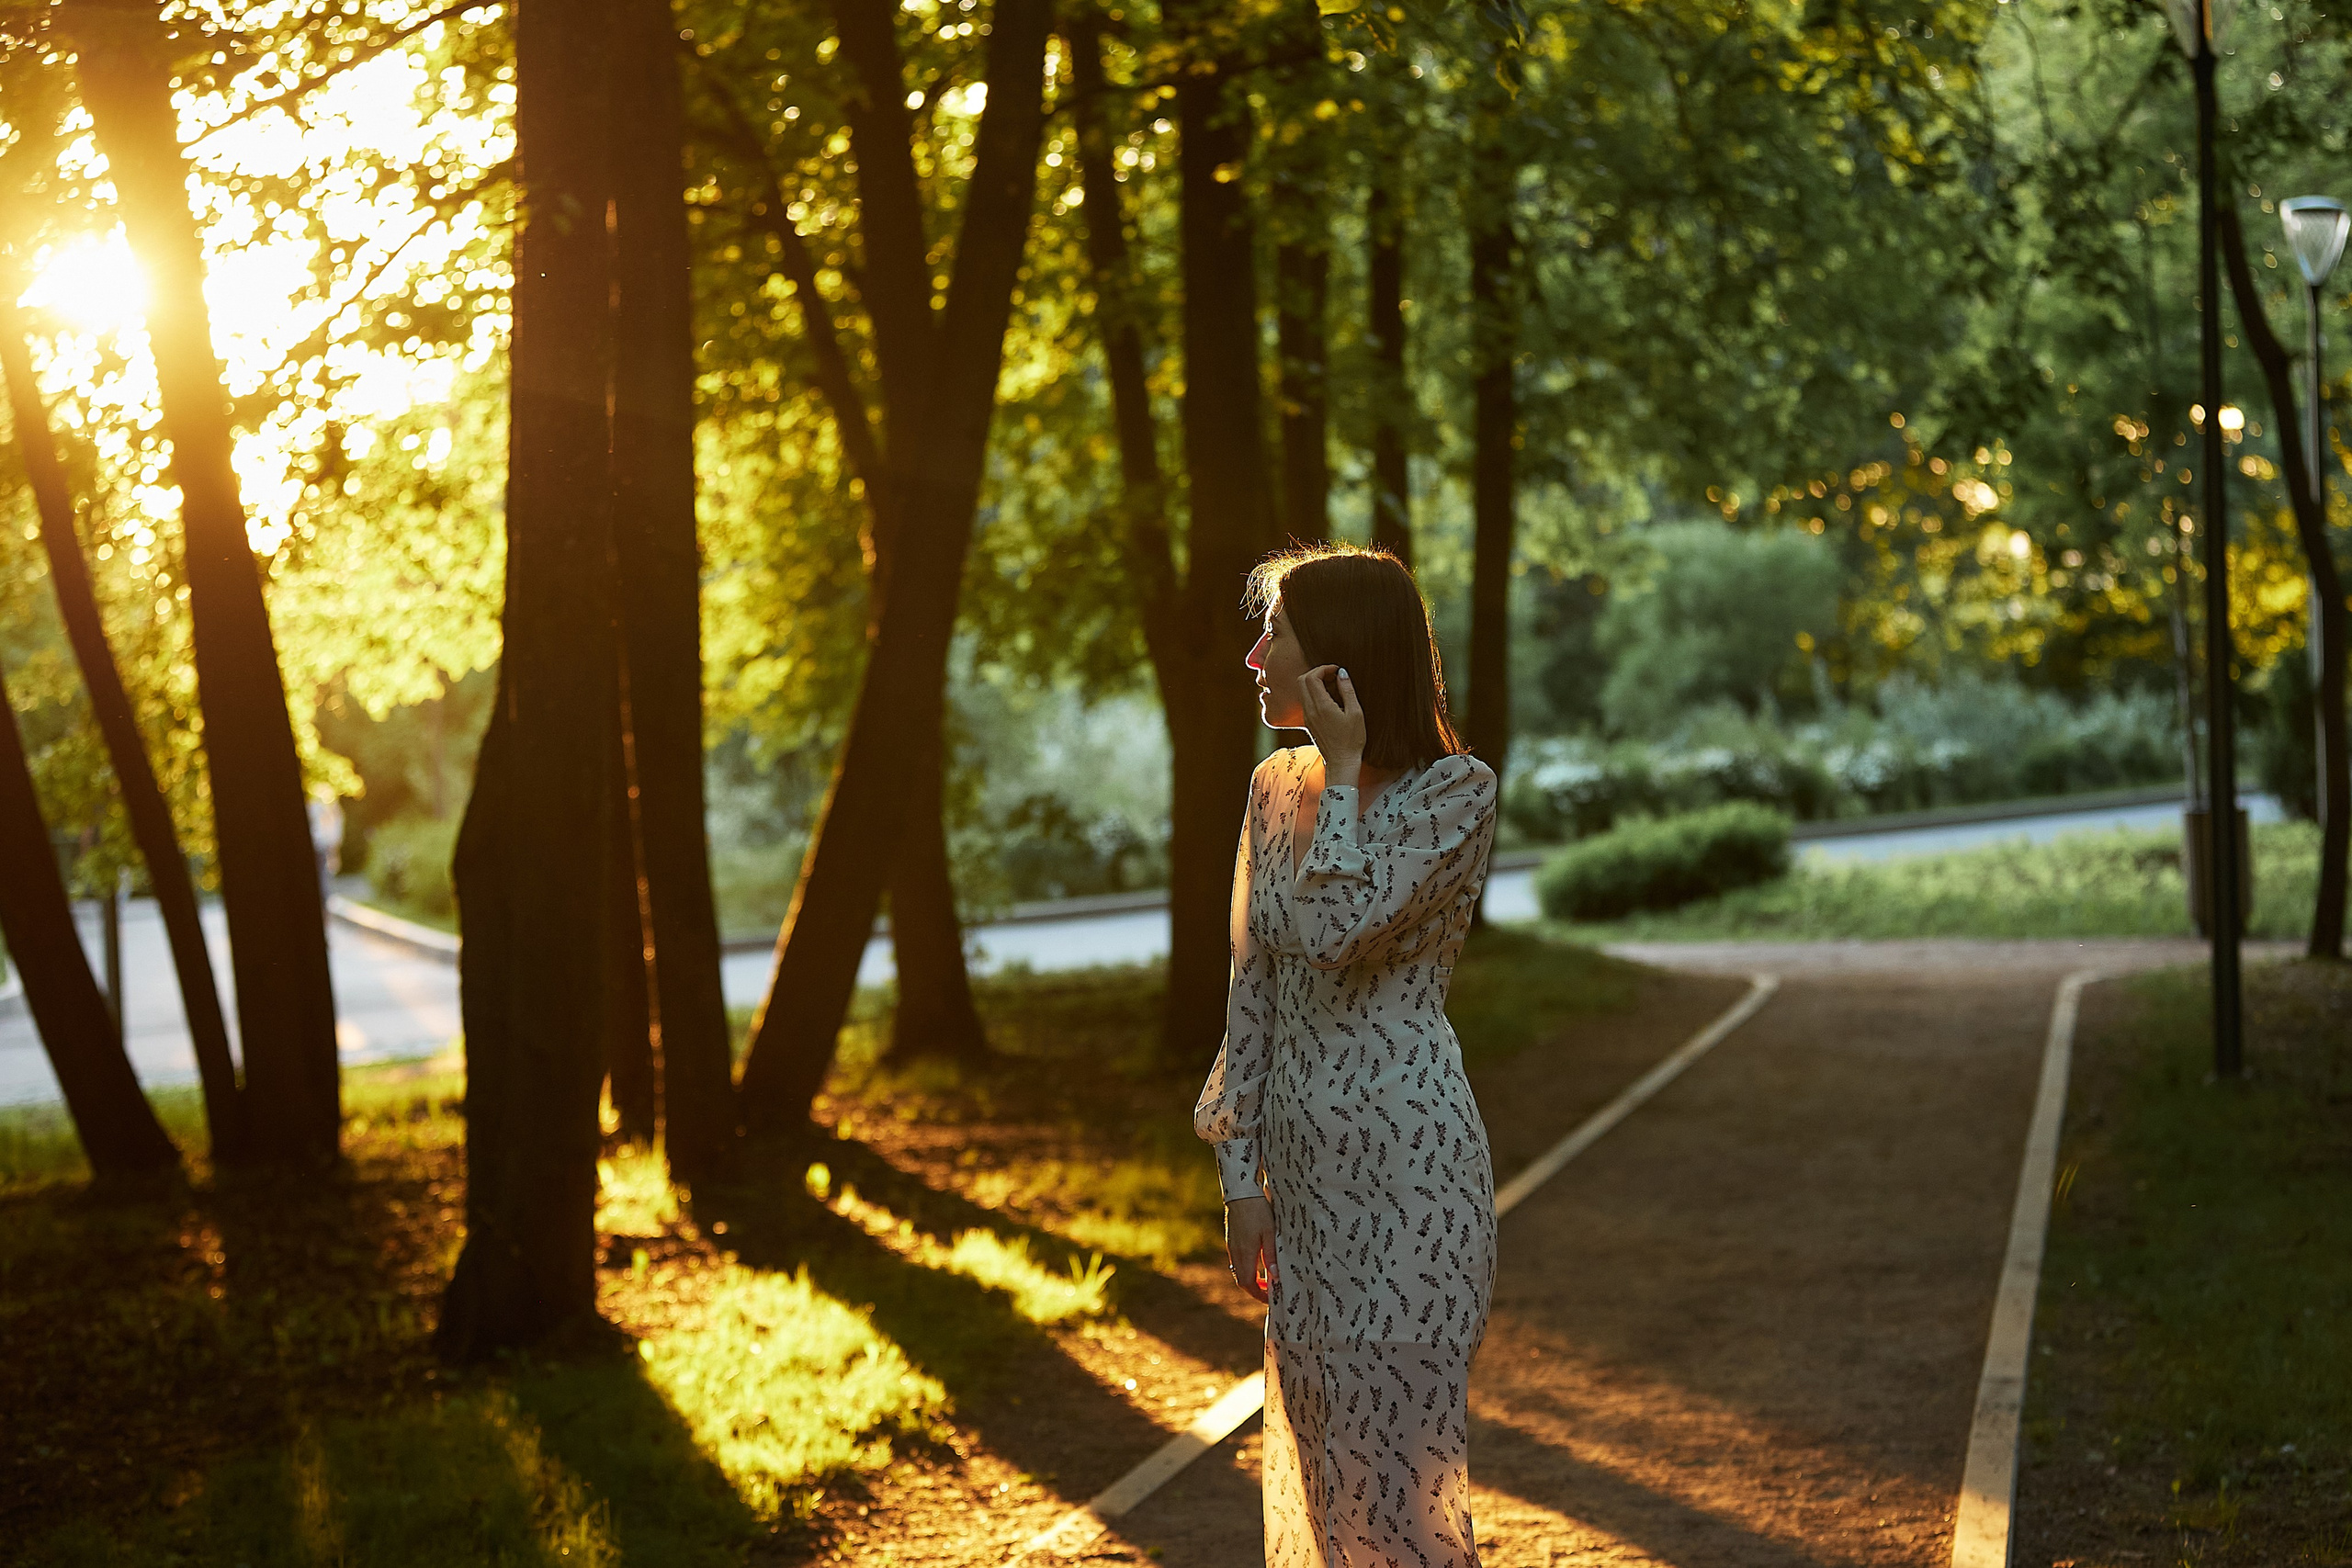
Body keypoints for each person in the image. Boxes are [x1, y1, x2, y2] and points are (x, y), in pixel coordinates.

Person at [1195, 542, 1499, 1567]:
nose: (1254, 658)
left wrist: (1348, 772)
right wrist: (1240, 1180)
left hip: (1414, 1182)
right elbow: (1255, 986)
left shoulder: (1456, 793)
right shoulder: (1272, 789)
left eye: (1274, 633)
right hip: (1307, 1193)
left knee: (1403, 1487)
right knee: (1328, 1471)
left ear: (1340, 658)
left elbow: (1338, 930)